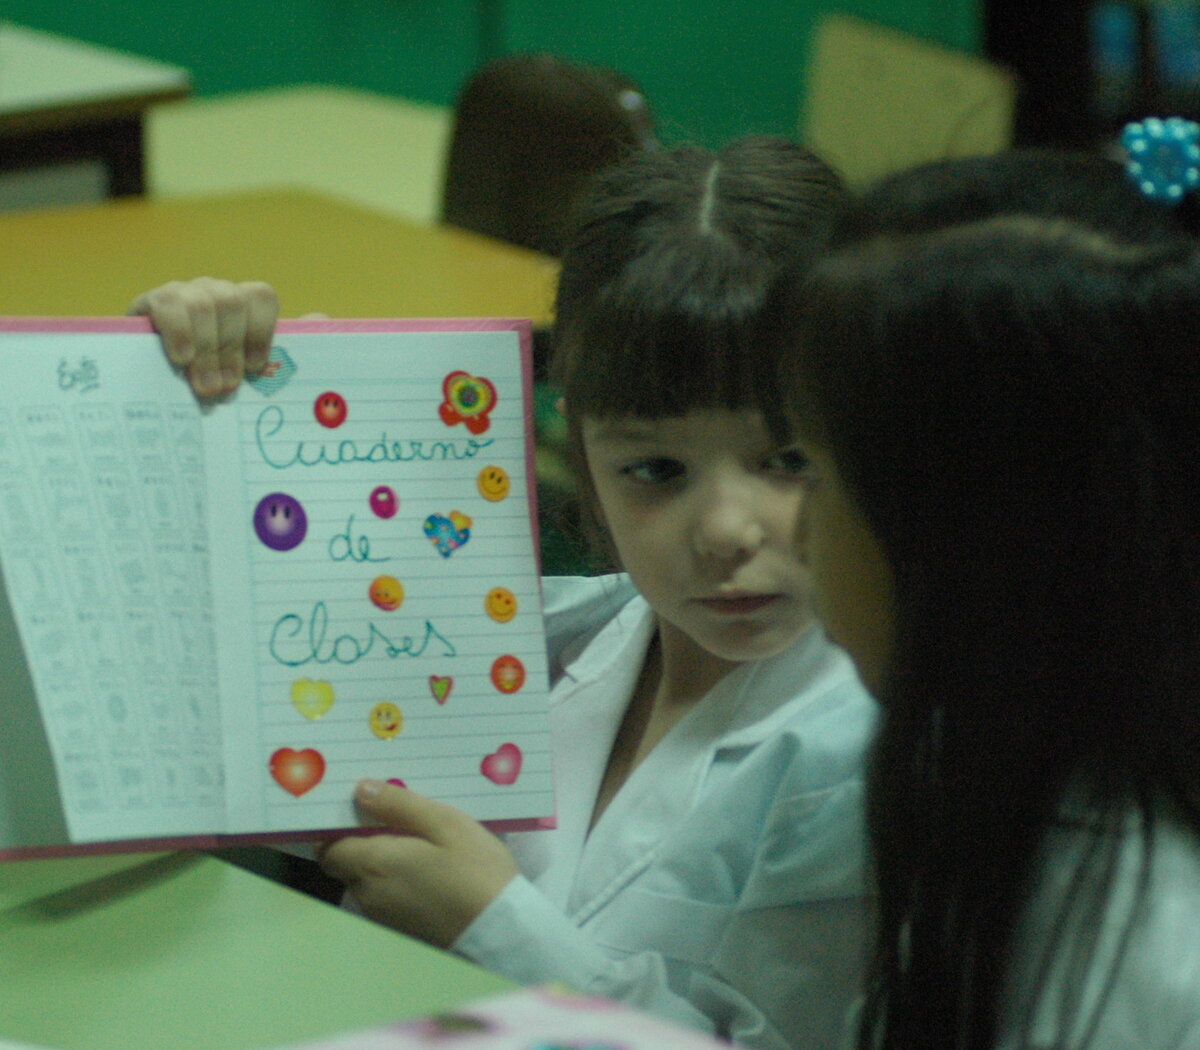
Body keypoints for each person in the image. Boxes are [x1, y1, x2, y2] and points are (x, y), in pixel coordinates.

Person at [135, 137, 878, 1050]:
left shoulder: (873, 745)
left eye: (788, 459)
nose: (727, 528)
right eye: (655, 468)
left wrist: (494, 926)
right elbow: (186, 752)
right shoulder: (553, 636)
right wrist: (202, 421)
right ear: (577, 448)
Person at [759, 149, 1200, 1050]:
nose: (797, 534)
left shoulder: (1150, 959)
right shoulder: (1036, 797)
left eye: (815, 470)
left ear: (971, 545)